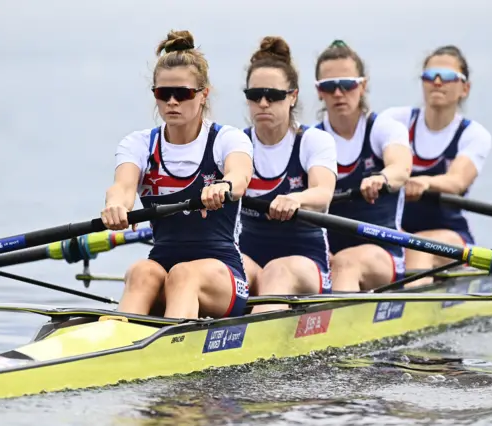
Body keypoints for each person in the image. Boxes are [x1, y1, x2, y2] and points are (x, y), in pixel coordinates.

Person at [101, 30, 254, 319]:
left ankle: (168, 352)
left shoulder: (227, 139)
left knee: (184, 275)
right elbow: (122, 186)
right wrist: (116, 206)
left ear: (203, 94)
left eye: (182, 94)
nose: (172, 102)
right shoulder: (138, 144)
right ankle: (114, 345)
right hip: (162, 265)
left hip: (224, 277)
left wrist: (224, 185)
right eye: (163, 93)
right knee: (140, 271)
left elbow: (240, 176)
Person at [238, 36, 338, 314]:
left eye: (274, 95)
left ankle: (249, 344)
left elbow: (322, 194)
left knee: (277, 270)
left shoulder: (314, 141)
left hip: (306, 263)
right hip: (251, 257)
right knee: (219, 267)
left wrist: (296, 199)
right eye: (254, 96)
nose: (263, 103)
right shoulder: (236, 145)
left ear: (292, 96)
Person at [382, 45, 492, 284]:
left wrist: (425, 182)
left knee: (419, 247)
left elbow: (457, 181)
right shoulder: (396, 120)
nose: (438, 82)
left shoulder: (473, 134)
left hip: (449, 236)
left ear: (465, 88)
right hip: (397, 231)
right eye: (430, 76)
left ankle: (404, 314)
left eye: (448, 77)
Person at [313, 40, 413, 292]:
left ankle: (332, 327)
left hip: (383, 253)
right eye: (329, 86)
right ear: (318, 91)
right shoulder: (311, 141)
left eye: (347, 84)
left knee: (345, 264)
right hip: (326, 254)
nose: (338, 93)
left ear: (363, 85)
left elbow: (401, 167)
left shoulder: (383, 129)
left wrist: (382, 177)